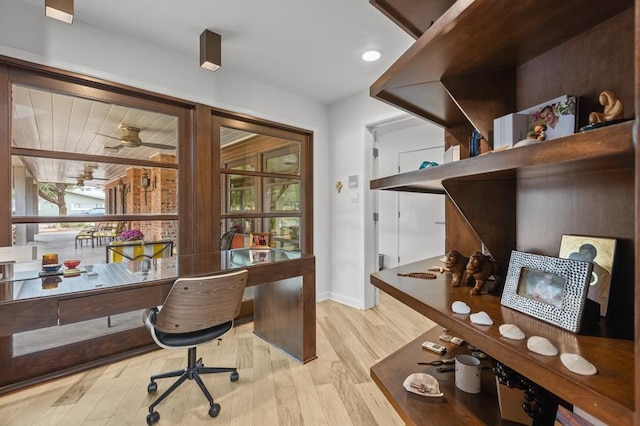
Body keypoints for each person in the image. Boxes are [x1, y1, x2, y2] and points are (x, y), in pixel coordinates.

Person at [575, 243, 611, 316]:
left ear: (593, 254)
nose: (584, 257)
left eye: (586, 253)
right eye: (582, 254)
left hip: (590, 311)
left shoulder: (603, 274)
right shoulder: (578, 269)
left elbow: (603, 300)